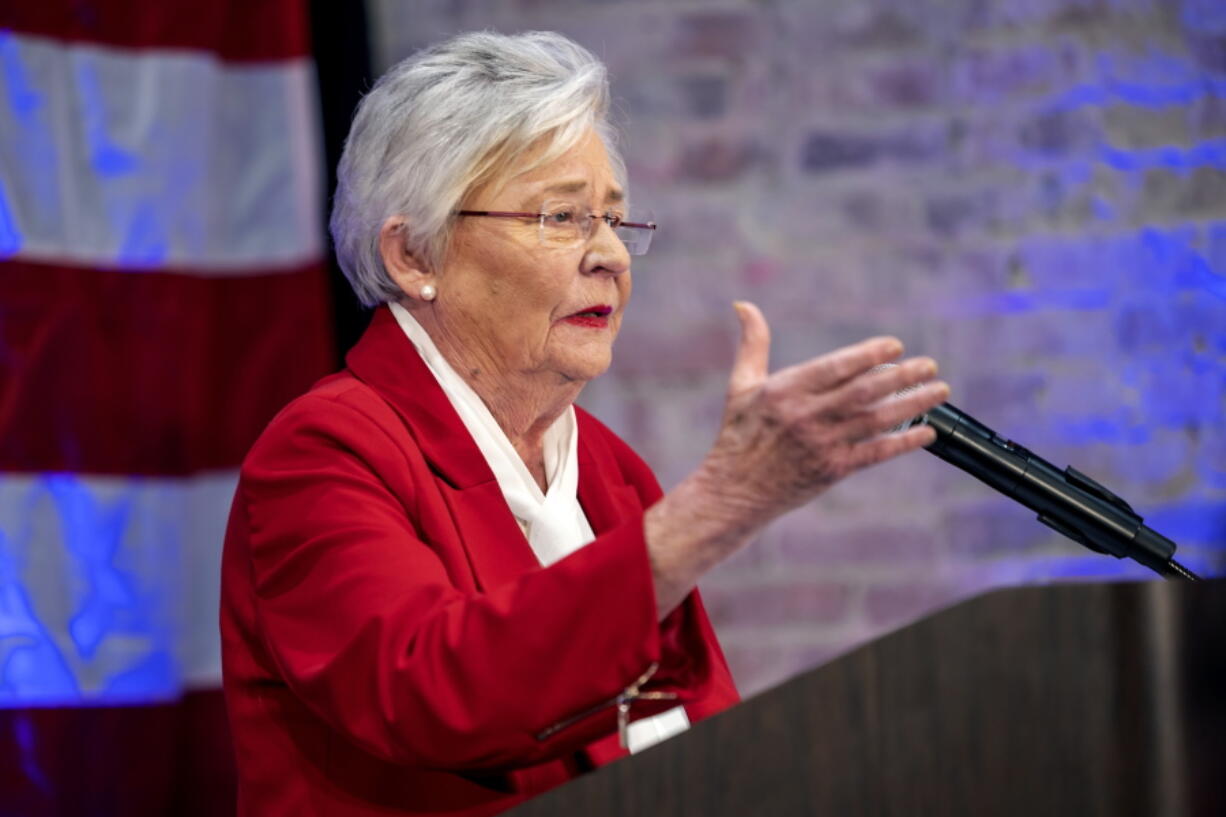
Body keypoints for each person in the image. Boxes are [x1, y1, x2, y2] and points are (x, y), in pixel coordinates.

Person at [219, 30, 948, 817]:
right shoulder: (323, 453)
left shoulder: (608, 468)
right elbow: (430, 689)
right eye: (561, 217)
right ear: (413, 256)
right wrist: (719, 505)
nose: (611, 256)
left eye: (614, 219)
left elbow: (689, 726)